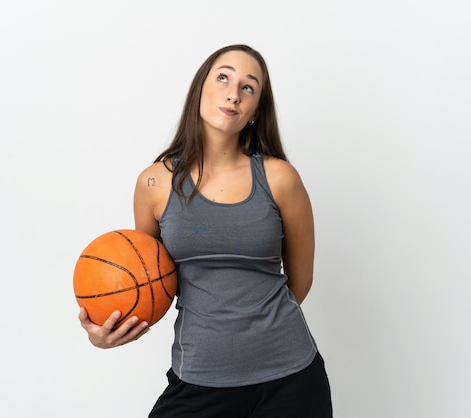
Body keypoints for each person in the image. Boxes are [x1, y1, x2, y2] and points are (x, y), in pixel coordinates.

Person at [79, 44, 332, 417]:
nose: (234, 92)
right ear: (201, 88)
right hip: (199, 379)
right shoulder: (154, 183)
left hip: (291, 378)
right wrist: (105, 334)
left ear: (254, 112)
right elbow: (148, 283)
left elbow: (301, 281)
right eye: (224, 77)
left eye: (249, 87)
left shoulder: (280, 179)